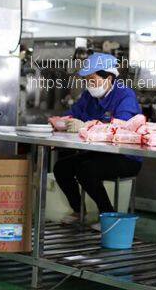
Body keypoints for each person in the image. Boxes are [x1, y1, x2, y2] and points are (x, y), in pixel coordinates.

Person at [52, 53, 143, 226]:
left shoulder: (125, 96)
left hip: (125, 157)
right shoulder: (89, 96)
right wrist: (62, 122)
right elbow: (73, 114)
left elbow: (120, 127)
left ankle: (107, 216)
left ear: (108, 78)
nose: (89, 85)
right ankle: (79, 211)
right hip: (98, 153)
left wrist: (85, 126)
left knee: (86, 170)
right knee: (61, 168)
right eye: (86, 81)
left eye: (92, 80)